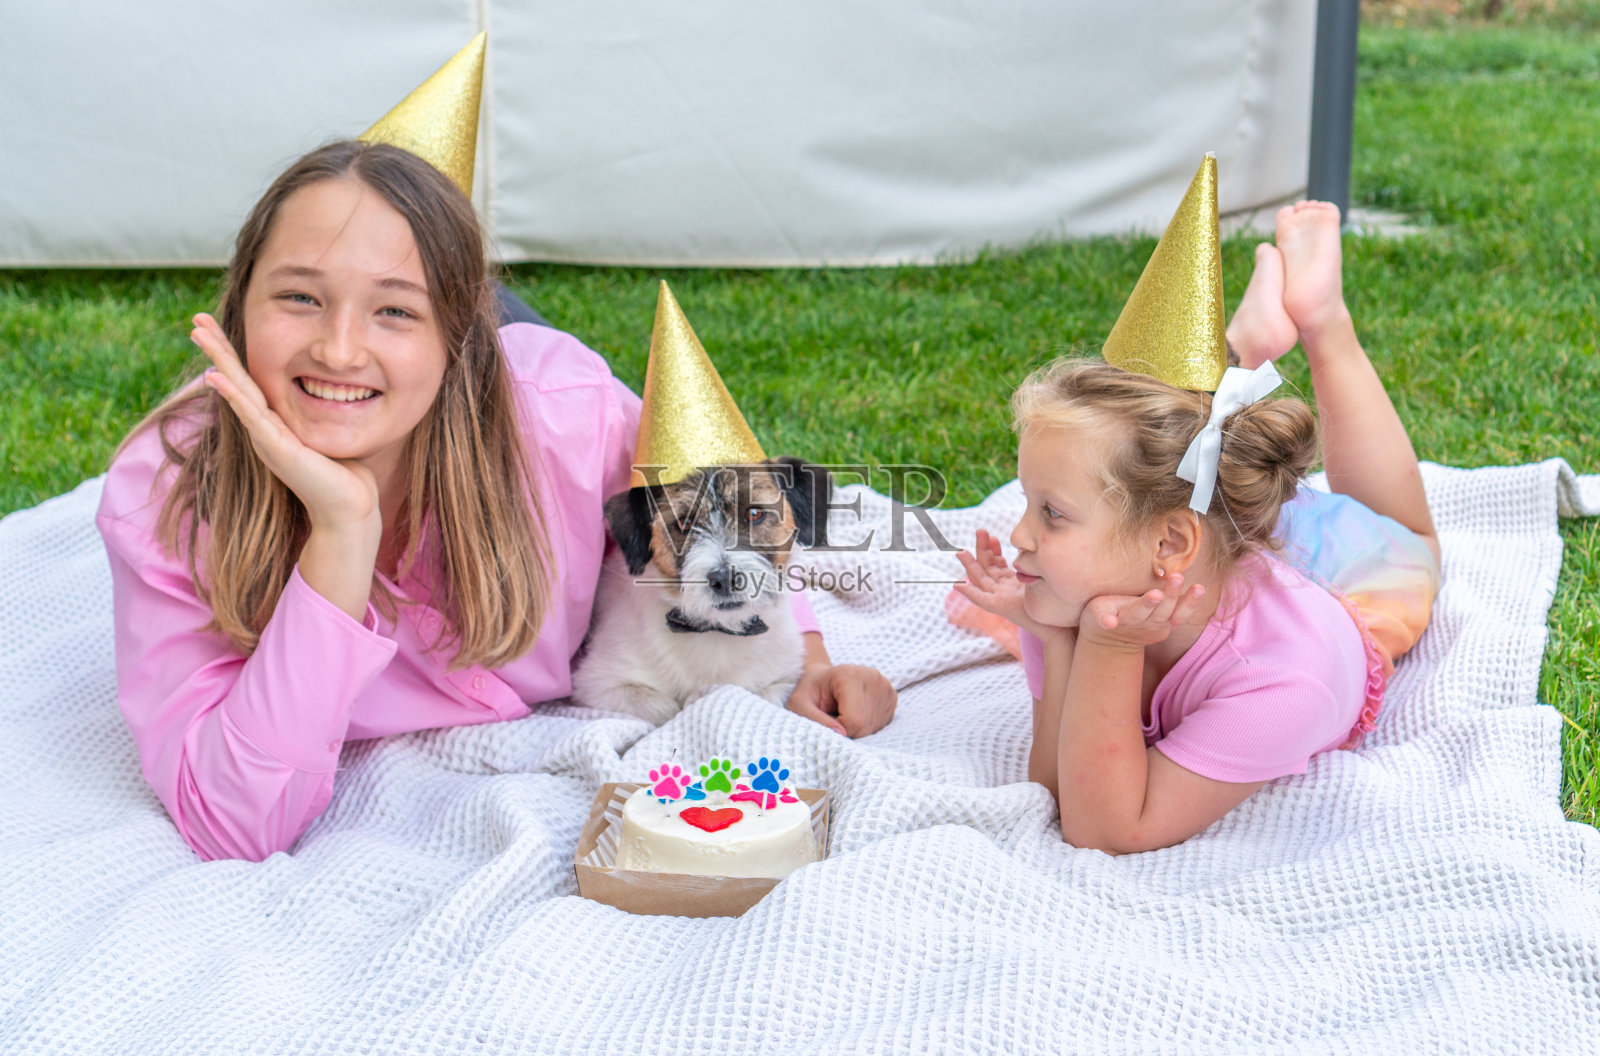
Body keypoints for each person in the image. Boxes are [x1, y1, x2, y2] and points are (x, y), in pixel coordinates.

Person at [96, 141, 896, 862]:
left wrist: (811, 660)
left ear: (458, 341)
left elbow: (722, 494)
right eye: (299, 296)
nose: (338, 348)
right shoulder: (162, 497)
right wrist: (340, 533)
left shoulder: (570, 418)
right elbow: (233, 823)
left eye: (395, 308)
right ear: (239, 303)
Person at [956, 200, 1440, 855]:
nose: (1018, 535)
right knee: (1205, 475)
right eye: (1029, 502)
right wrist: (1059, 640)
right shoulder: (1072, 593)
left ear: (1167, 543)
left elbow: (1106, 829)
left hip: (1340, 588)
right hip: (1212, 549)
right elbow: (1054, 788)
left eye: (1052, 512)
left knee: (1409, 541)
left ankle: (1324, 321)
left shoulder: (1283, 679)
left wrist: (1107, 647)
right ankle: (1238, 362)